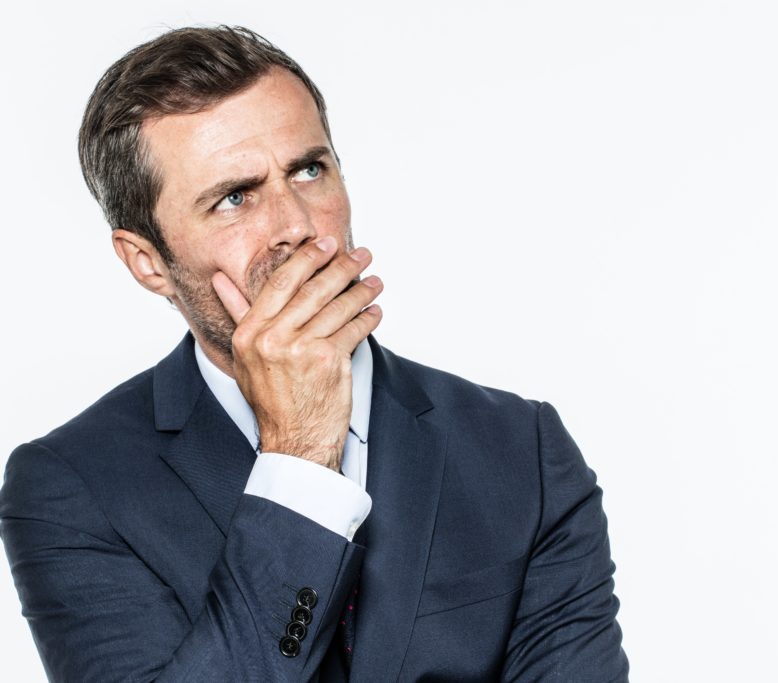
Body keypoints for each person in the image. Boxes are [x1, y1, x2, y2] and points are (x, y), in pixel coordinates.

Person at [0, 25, 628, 682]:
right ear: (148, 262)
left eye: (308, 169)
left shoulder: (519, 449)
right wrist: (299, 458)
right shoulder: (70, 488)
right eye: (234, 197)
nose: (297, 224)